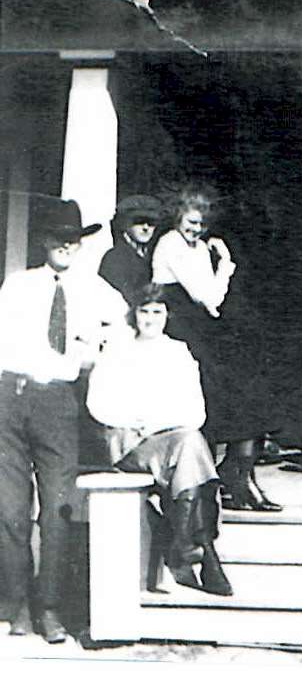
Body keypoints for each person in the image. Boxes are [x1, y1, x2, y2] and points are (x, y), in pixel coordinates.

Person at [0, 198, 130, 643]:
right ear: (44, 241)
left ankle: (49, 607)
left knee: (57, 509)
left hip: (58, 402)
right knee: (10, 511)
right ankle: (15, 605)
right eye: (58, 237)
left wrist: (97, 349)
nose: (66, 245)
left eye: (73, 238)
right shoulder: (18, 286)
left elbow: (128, 331)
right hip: (10, 399)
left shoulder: (96, 291)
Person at [86, 284, 232, 596]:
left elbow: (195, 410)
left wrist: (156, 422)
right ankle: (200, 548)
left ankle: (191, 545)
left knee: (191, 443)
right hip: (129, 442)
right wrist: (136, 420)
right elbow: (98, 403)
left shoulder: (178, 352)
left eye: (157, 312)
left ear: (167, 316)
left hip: (169, 441)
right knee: (192, 451)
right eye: (144, 311)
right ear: (134, 315)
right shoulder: (117, 350)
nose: (150, 319)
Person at [151, 187, 281, 512]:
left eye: (201, 225)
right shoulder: (170, 244)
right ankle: (230, 480)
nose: (196, 230)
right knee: (222, 399)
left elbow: (212, 304)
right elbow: (208, 299)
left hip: (201, 330)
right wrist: (225, 264)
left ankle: (239, 476)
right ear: (178, 217)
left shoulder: (195, 249)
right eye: (191, 222)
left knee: (251, 392)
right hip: (178, 332)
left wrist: (216, 272)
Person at [98, 194, 163, 299]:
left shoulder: (155, 255)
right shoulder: (115, 258)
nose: (146, 227)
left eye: (151, 222)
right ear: (125, 224)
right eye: (139, 221)